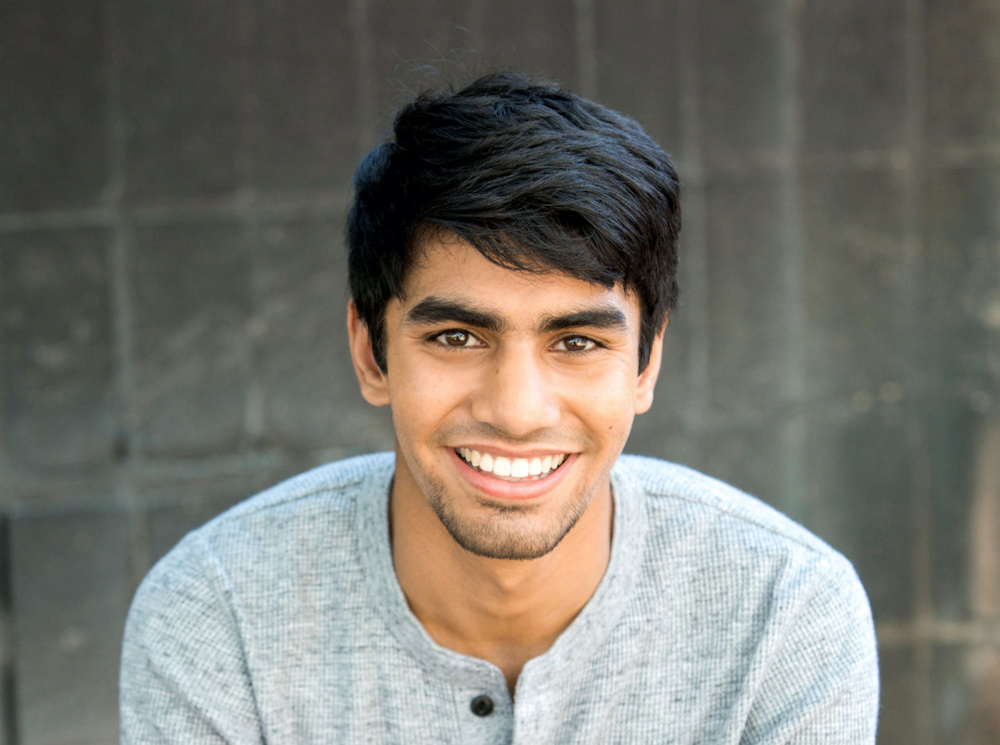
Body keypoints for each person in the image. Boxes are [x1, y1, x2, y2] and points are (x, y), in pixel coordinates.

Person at [120, 72, 879, 743]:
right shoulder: (218, 615)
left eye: (577, 342)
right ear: (369, 349)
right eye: (457, 335)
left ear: (646, 362)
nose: (516, 410)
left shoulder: (785, 611)